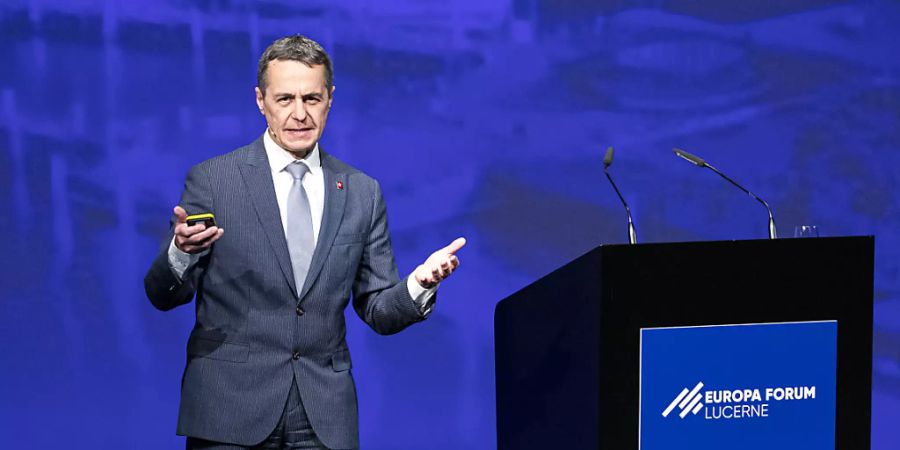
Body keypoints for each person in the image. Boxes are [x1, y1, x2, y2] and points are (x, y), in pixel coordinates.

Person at [144, 35, 465, 450]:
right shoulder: (213, 180)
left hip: (322, 418)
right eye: (285, 99)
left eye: (312, 99)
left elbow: (379, 310)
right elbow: (161, 295)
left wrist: (419, 284)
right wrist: (180, 253)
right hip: (229, 411)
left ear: (330, 99)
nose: (300, 114)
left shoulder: (362, 192)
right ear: (261, 101)